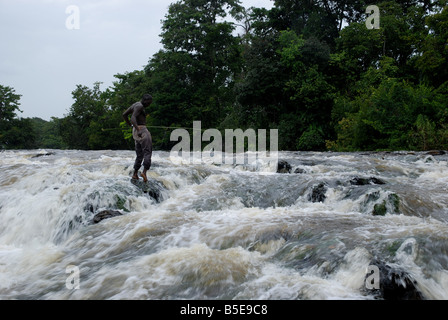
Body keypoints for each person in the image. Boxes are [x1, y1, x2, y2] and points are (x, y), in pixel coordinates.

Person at [122, 94, 153, 182]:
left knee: (139, 154)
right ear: (145, 100)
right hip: (141, 130)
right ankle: (144, 172)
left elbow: (124, 114)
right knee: (147, 152)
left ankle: (135, 174)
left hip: (135, 131)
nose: (149, 104)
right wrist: (138, 129)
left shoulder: (135, 104)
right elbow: (133, 117)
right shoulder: (140, 106)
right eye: (149, 103)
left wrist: (130, 125)